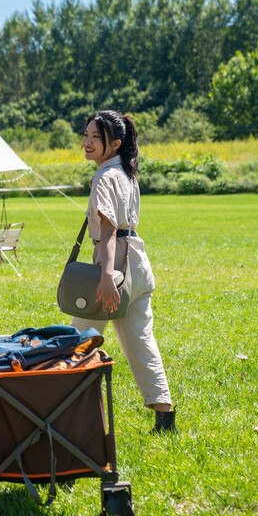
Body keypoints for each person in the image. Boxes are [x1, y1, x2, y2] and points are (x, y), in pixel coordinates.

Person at [71, 110, 176, 433]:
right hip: (138, 263)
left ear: (115, 143)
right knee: (140, 339)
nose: (87, 142)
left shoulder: (105, 176)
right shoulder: (126, 173)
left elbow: (107, 229)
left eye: (95, 137)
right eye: (86, 135)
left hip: (114, 265)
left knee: (78, 342)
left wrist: (105, 278)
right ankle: (164, 415)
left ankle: (67, 412)